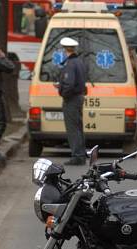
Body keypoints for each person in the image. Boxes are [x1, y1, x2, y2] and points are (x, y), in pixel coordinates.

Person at [58, 37, 88, 165]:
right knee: (78, 127)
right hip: (79, 96)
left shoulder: (70, 64)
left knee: (72, 128)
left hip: (71, 99)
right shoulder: (79, 62)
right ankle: (81, 154)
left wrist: (63, 93)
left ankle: (76, 156)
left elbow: (69, 84)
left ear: (65, 50)